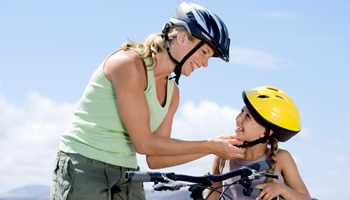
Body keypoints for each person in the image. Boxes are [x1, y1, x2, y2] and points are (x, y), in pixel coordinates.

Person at [50, 2, 245, 200]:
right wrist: (209, 145)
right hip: (84, 166)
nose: (204, 64)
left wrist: (212, 149)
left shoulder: (173, 93)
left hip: (126, 173)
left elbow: (156, 158)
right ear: (183, 38)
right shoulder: (128, 65)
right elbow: (144, 144)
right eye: (204, 53)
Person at [206, 85, 311, 200]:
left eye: (248, 117)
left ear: (265, 132)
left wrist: (282, 189)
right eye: (241, 111)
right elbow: (213, 195)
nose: (238, 119)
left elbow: (305, 198)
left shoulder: (282, 158)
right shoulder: (223, 156)